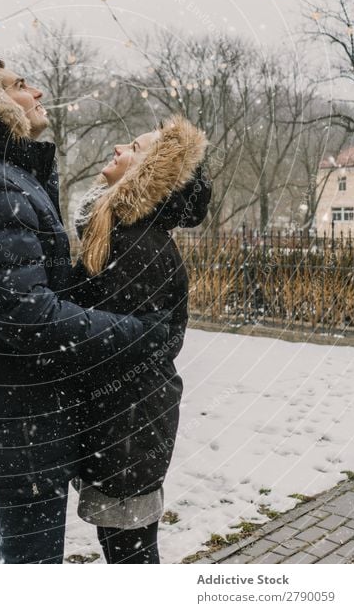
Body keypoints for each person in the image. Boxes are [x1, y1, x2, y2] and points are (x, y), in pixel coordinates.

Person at [0, 53, 172, 564]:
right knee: (31, 560)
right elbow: (29, 317)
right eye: (21, 85)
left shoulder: (11, 179)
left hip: (26, 413)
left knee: (20, 547)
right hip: (20, 417)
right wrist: (138, 332)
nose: (36, 93)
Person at [71, 114, 212, 563]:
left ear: (149, 175)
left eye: (132, 147)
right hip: (122, 422)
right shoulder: (119, 233)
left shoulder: (136, 245)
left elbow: (137, 342)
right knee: (125, 552)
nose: (117, 149)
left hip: (128, 426)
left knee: (131, 559)